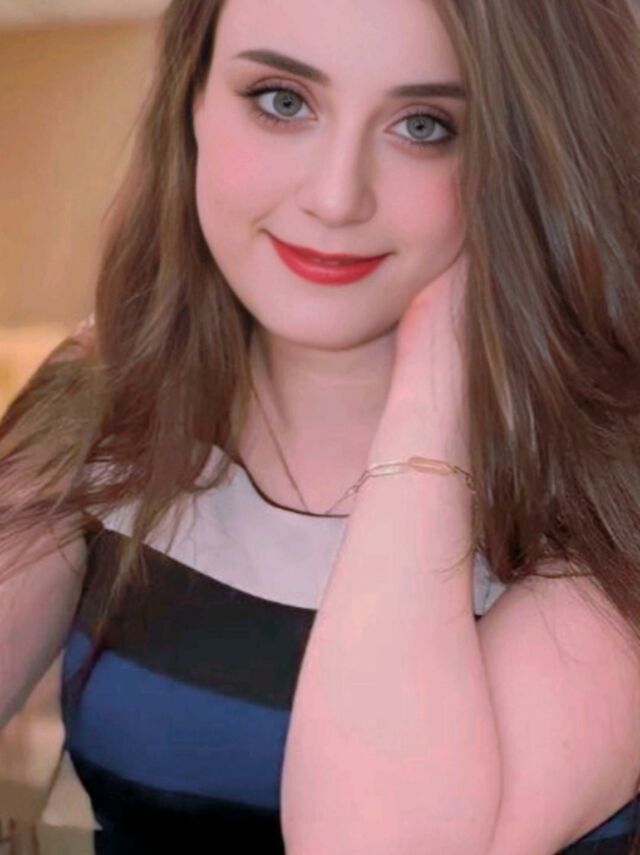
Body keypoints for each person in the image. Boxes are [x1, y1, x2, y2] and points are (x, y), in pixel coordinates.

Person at [1, 0, 639, 853]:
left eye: (425, 125)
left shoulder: (607, 498)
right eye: (281, 100)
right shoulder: (104, 404)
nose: (336, 197)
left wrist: (436, 389)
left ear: (529, 164)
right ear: (192, 100)